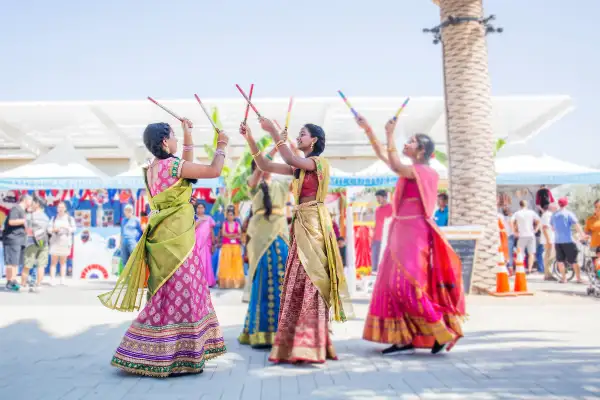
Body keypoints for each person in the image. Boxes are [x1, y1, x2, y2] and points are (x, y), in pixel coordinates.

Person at [98, 118, 228, 377]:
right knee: (186, 293)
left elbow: (184, 166)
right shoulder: (174, 166)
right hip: (179, 240)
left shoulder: (152, 168)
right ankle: (181, 355)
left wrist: (187, 133)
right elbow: (213, 171)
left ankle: (162, 352)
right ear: (165, 142)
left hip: (160, 238)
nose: (178, 141)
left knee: (166, 294)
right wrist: (222, 145)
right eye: (175, 137)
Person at [240, 116, 351, 364]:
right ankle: (297, 342)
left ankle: (312, 343)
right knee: (297, 281)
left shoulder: (316, 162)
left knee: (311, 279)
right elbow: (264, 165)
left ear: (315, 140)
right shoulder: (299, 167)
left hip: (313, 223)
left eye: (303, 133)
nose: (299, 136)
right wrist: (249, 138)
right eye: (298, 133)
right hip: (300, 223)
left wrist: (273, 132)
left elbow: (289, 158)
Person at [356, 115, 464, 355]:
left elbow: (394, 164)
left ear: (421, 150)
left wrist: (390, 135)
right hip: (399, 232)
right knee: (392, 285)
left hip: (414, 233)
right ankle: (403, 337)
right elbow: (386, 157)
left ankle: (442, 333)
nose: (407, 144)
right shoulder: (410, 170)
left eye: (412, 141)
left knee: (409, 286)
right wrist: (369, 130)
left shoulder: (425, 171)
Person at [238, 158, 290, 348]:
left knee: (284, 277)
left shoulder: (281, 185)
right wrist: (265, 156)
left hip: (281, 234)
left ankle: (284, 330)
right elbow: (254, 178)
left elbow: (295, 173)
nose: (268, 167)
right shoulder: (253, 186)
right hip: (260, 238)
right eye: (262, 165)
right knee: (262, 280)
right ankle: (260, 332)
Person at [551, 197, 587, 283]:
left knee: (560, 261)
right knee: (574, 260)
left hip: (557, 241)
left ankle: (564, 278)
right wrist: (583, 235)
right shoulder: (569, 214)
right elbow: (576, 225)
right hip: (568, 240)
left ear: (559, 204)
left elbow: (552, 228)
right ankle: (578, 278)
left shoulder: (554, 215)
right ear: (566, 204)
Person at [2, 195, 32, 291]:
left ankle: (13, 280)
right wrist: (24, 220)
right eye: (30, 201)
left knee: (15, 262)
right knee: (11, 262)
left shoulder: (23, 211)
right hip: (12, 239)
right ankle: (10, 282)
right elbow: (11, 222)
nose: (31, 203)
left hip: (20, 239)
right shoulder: (16, 208)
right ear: (25, 200)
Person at [20, 195, 50, 292]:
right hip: (43, 242)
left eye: (33, 202)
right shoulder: (46, 217)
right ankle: (38, 285)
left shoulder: (30, 216)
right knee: (41, 265)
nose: (31, 204)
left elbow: (26, 229)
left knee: (27, 264)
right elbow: (48, 230)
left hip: (31, 242)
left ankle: (23, 285)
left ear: (37, 204)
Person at [48, 201, 76, 285]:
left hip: (65, 242)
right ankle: (52, 279)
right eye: (59, 207)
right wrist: (54, 230)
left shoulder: (70, 219)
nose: (60, 209)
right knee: (53, 262)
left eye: (62, 207)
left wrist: (66, 227)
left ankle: (62, 279)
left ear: (65, 209)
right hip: (55, 241)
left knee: (63, 262)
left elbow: (74, 229)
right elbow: (49, 229)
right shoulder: (53, 218)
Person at [218, 208, 245, 289]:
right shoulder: (224, 223)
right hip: (226, 245)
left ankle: (236, 283)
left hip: (236, 246)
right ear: (227, 216)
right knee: (226, 263)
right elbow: (224, 234)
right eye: (229, 215)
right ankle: (226, 283)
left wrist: (231, 235)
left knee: (236, 264)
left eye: (232, 215)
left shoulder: (237, 224)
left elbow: (240, 235)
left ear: (234, 216)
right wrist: (234, 235)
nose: (230, 216)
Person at [511, 200, 540, 274]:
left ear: (520, 205)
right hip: (531, 235)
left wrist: (514, 231)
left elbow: (511, 221)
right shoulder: (531, 212)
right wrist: (536, 230)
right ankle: (529, 269)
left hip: (522, 235)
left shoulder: (517, 213)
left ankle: (521, 268)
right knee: (531, 253)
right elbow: (539, 221)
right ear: (526, 205)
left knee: (520, 253)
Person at [194, 202, 216, 288]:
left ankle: (208, 281)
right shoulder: (194, 218)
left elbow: (211, 231)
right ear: (196, 209)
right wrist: (199, 222)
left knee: (207, 262)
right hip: (196, 244)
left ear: (205, 209)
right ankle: (198, 282)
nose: (200, 209)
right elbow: (192, 228)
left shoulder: (209, 218)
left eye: (202, 208)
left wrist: (213, 243)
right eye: (198, 208)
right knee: (197, 263)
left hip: (206, 244)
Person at [372, 190, 392, 273]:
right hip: (377, 237)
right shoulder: (377, 210)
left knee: (386, 258)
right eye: (376, 198)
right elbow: (377, 223)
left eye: (379, 198)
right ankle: (375, 272)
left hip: (387, 238)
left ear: (385, 197)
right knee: (375, 257)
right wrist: (373, 237)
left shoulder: (392, 208)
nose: (377, 200)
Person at [541, 203, 557, 281]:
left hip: (550, 239)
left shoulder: (549, 215)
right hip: (549, 239)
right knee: (548, 256)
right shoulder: (547, 215)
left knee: (550, 256)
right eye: (555, 206)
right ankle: (548, 274)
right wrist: (548, 240)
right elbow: (544, 228)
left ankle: (548, 274)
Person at [584, 200, 600, 266]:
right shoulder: (590, 220)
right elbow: (586, 232)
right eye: (596, 207)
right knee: (597, 267)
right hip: (595, 246)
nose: (598, 209)